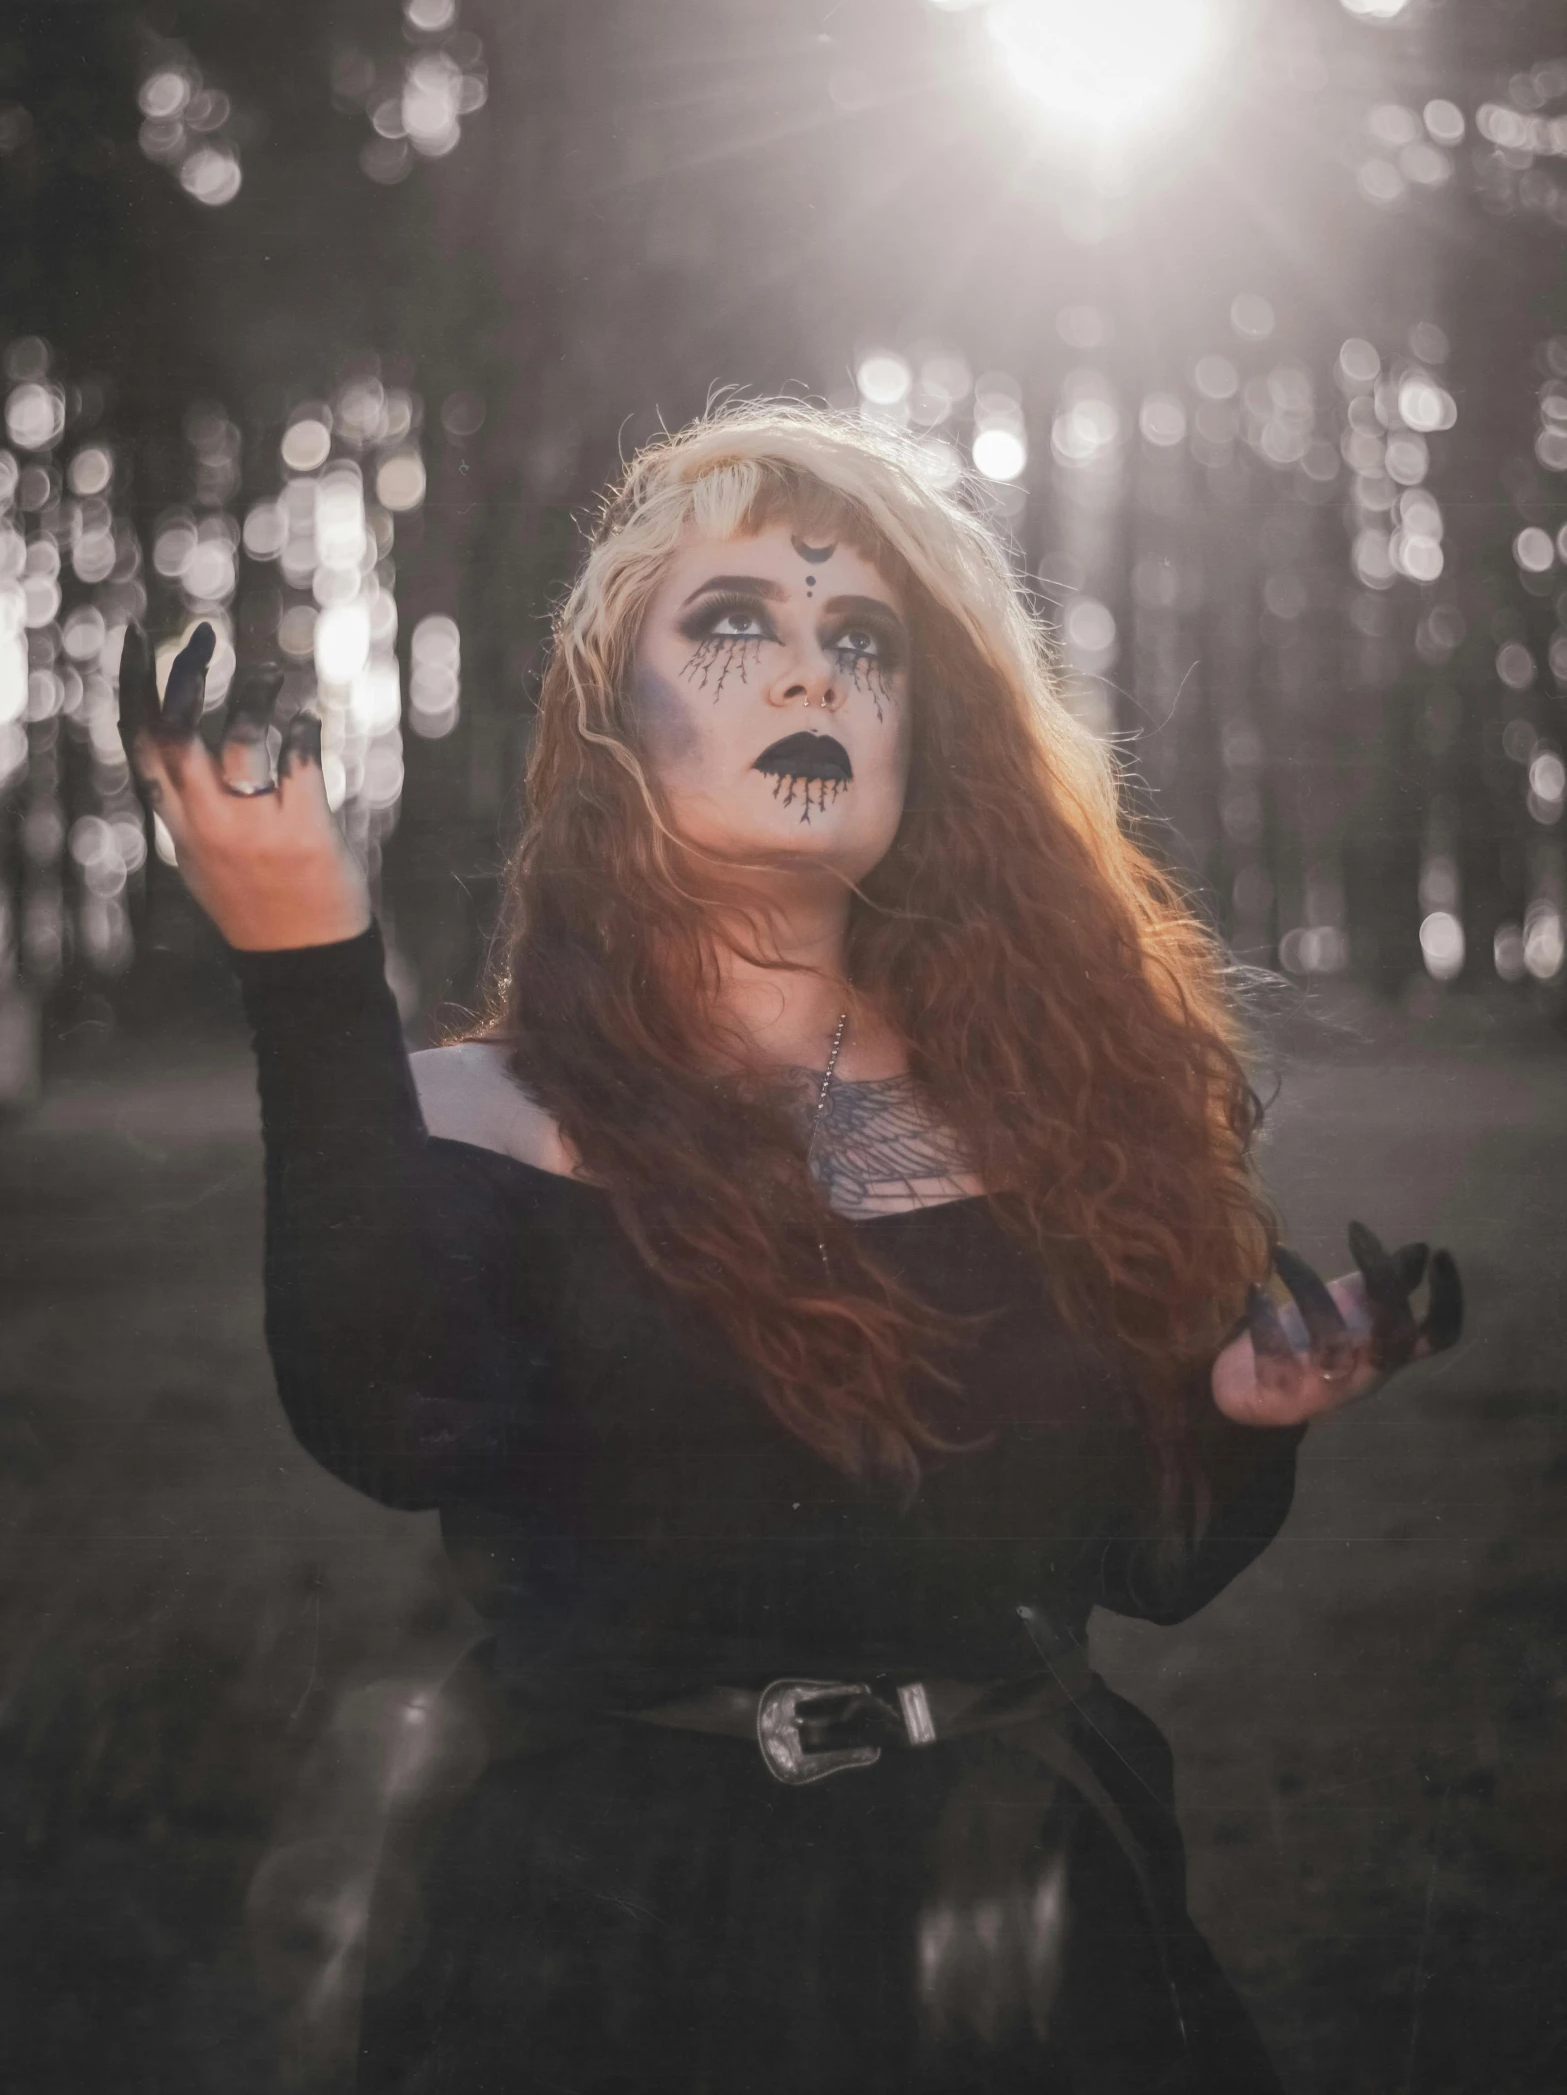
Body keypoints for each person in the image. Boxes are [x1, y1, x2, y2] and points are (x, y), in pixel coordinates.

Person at [121, 401, 1461, 2094]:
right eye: (735, 621)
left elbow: (1150, 1563)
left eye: (863, 640)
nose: (813, 677)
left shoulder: (1063, 1119)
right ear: (617, 718)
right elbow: (388, 1422)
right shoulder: (473, 1112)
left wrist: (1236, 1420)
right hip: (589, 1947)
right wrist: (304, 960)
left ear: (926, 731)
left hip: (1018, 1934)